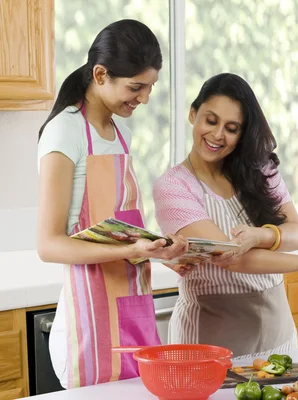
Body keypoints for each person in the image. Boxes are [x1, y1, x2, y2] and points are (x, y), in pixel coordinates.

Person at [36, 19, 190, 389]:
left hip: (130, 304)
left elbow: (118, 230)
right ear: (101, 74)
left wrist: (156, 251)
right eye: (136, 87)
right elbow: (49, 244)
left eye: (150, 86)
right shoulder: (66, 131)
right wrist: (135, 248)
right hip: (88, 315)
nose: (145, 98)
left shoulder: (121, 133)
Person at [153, 72, 298, 359]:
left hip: (278, 333)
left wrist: (261, 234)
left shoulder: (260, 170)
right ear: (193, 114)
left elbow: (296, 233)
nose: (218, 135)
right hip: (212, 339)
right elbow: (230, 258)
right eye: (211, 120)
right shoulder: (174, 187)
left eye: (231, 128)